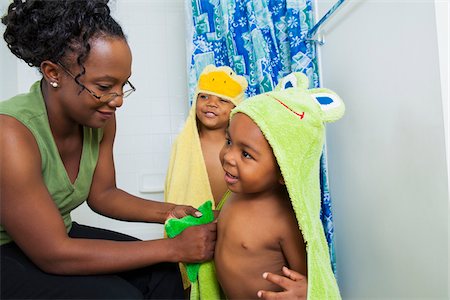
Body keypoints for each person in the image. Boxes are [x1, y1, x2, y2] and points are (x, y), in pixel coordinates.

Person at [0, 1, 216, 299]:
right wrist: (173, 247)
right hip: (10, 251)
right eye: (103, 87)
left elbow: (103, 195)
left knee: (162, 275)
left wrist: (172, 212)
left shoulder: (99, 119)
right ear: (53, 73)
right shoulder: (10, 134)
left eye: (122, 85)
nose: (117, 100)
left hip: (56, 237)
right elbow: (54, 253)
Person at [215, 72, 344, 299]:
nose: (228, 157)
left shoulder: (284, 220)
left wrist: (306, 293)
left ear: (285, 169)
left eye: (246, 153)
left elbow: (311, 275)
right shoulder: (236, 194)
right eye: (229, 141)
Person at [164, 64, 247, 292]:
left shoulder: (239, 147)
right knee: (194, 283)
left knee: (230, 279)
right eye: (204, 96)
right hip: (196, 222)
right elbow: (176, 184)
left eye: (222, 100)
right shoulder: (185, 143)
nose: (211, 103)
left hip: (231, 223)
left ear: (236, 108)